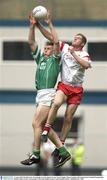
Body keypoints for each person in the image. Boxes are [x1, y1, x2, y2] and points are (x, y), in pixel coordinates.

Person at [20, 11, 71, 168]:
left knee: (36, 124)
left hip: (48, 93)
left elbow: (56, 40)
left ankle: (35, 154)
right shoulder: (41, 58)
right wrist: (32, 26)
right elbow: (31, 42)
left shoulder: (55, 59)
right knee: (43, 128)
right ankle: (63, 151)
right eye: (46, 48)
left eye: (49, 48)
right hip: (40, 94)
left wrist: (49, 23)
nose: (47, 49)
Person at [40, 28, 92, 155]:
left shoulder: (84, 54)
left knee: (68, 118)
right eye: (74, 36)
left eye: (78, 38)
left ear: (82, 44)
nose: (75, 38)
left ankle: (61, 144)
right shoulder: (65, 47)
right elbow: (52, 38)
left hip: (77, 89)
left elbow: (86, 65)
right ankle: (46, 129)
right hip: (64, 85)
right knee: (56, 103)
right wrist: (39, 26)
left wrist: (73, 54)